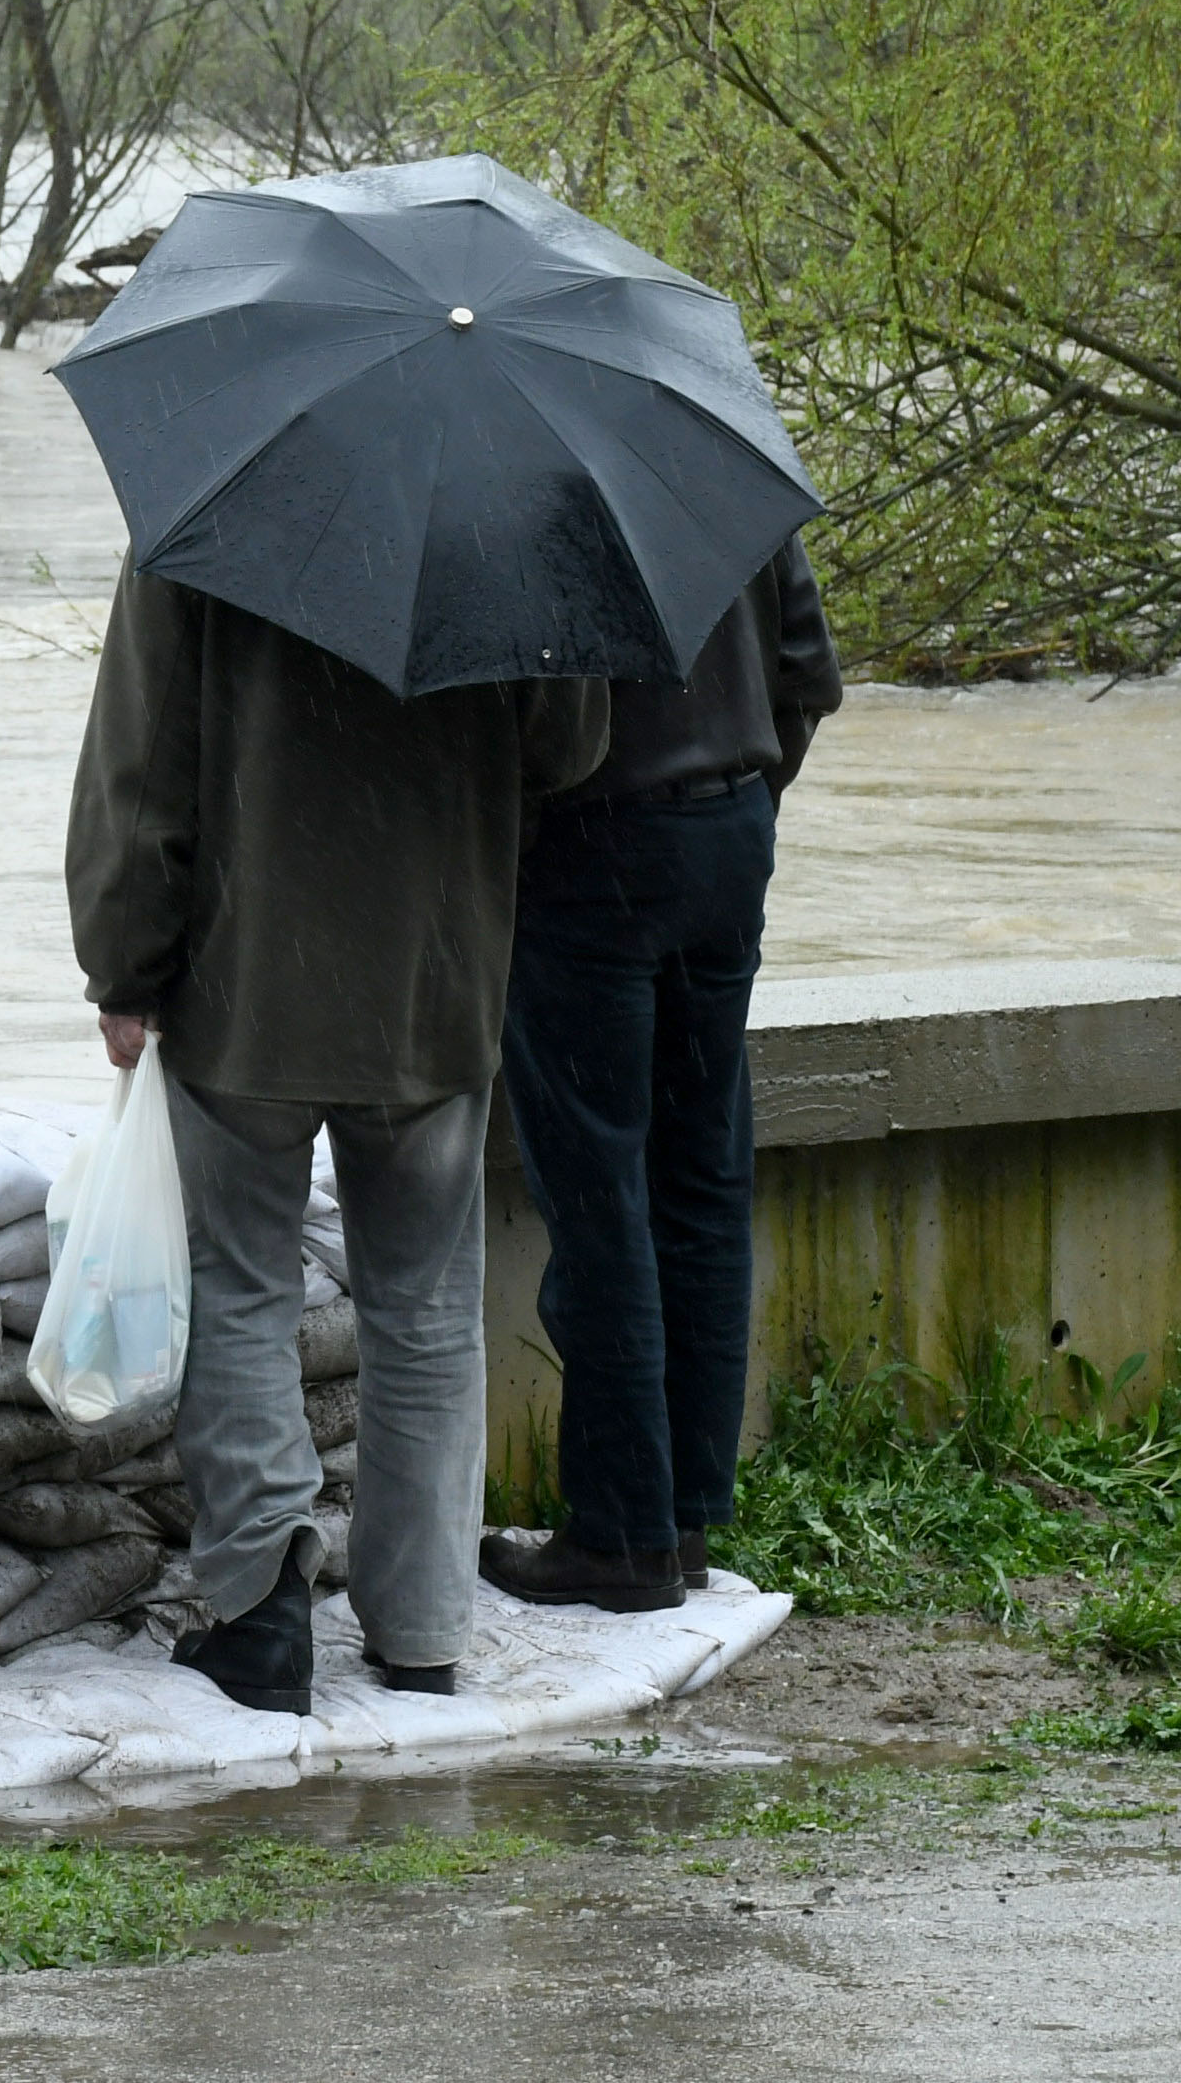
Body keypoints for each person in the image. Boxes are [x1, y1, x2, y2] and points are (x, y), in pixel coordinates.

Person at [66, 557, 608, 1712]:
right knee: (424, 1309)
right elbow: (565, 747)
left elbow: (142, 757)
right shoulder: (503, 510)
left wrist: (125, 959)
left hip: (248, 979)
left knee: (244, 1286)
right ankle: (420, 1631)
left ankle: (263, 1612)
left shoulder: (210, 511)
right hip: (434, 976)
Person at [479, 534, 839, 1612]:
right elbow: (808, 678)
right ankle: (682, 1520)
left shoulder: (526, 489)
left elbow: (523, 731)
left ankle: (621, 1534)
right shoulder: (705, 468)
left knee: (601, 1201)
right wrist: (740, 799)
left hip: (594, 851)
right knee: (703, 1186)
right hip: (728, 833)